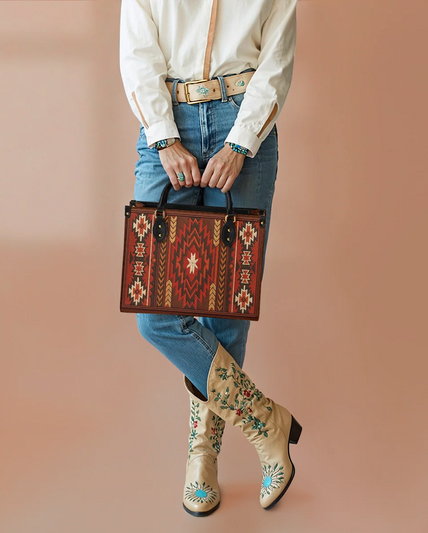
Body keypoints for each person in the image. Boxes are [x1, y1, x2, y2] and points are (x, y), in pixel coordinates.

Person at [119, 0, 300, 516]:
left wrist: (241, 143)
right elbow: (137, 50)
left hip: (243, 119)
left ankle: (203, 457)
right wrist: (163, 135)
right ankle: (266, 423)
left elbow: (277, 58)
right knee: (154, 312)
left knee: (228, 309)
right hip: (167, 119)